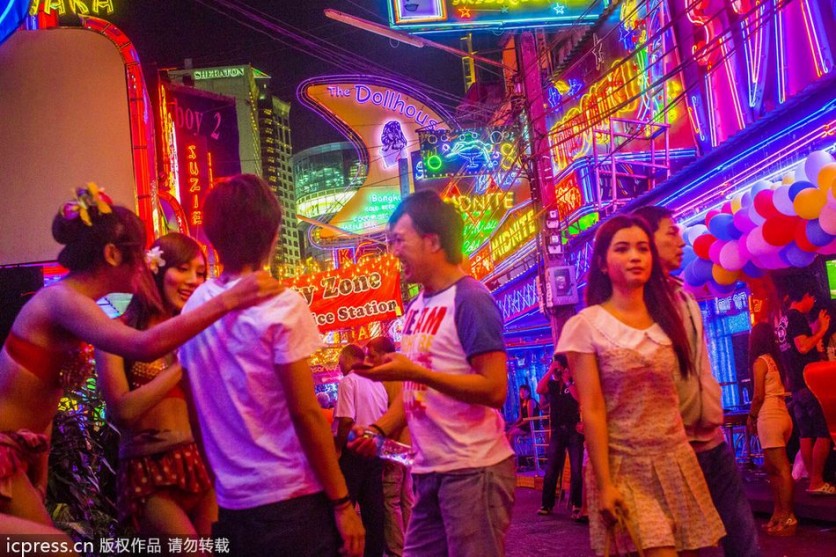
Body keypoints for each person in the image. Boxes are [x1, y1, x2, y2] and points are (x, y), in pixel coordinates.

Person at [0, 184, 279, 526]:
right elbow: (142, 347)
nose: (144, 265)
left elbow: (43, 400)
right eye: (139, 254)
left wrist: (39, 472)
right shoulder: (62, 301)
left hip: (16, 458)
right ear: (113, 255)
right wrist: (230, 300)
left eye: (200, 272)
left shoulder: (79, 309)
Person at [177, 174, 364, 557]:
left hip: (232, 506)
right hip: (292, 504)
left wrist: (219, 478)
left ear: (211, 235)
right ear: (274, 234)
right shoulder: (282, 303)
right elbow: (307, 414)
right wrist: (343, 503)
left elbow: (194, 409)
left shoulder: (195, 308)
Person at [350, 190, 515, 557]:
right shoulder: (417, 306)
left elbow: (494, 388)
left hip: (474, 471)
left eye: (398, 240)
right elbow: (416, 391)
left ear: (433, 241)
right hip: (430, 474)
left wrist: (417, 374)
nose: (393, 252)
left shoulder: (471, 299)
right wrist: (379, 429)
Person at [557, 215, 724, 557]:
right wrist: (603, 483)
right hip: (625, 466)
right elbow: (592, 408)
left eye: (642, 249)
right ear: (602, 263)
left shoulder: (668, 317)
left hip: (676, 458)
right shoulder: (585, 326)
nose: (635, 256)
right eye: (622, 249)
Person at [633, 205, 759, 556]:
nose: (680, 240)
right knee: (692, 546)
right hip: (674, 449)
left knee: (742, 539)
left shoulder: (685, 298)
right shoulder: (635, 308)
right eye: (670, 232)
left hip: (713, 443)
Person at [96, 232, 216, 536]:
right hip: (148, 470)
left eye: (200, 273)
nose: (193, 280)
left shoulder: (199, 333)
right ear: (156, 269)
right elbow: (122, 411)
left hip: (202, 465)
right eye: (183, 269)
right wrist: (180, 365)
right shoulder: (116, 335)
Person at [775, 287, 833, 495]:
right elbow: (802, 347)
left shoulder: (783, 321)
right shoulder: (797, 317)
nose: (813, 301)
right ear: (805, 295)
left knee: (806, 434)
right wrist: (822, 331)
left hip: (796, 385)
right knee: (823, 432)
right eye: (812, 297)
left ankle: (812, 480)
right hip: (809, 384)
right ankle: (817, 480)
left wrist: (816, 327)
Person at [334, 343, 387, 557]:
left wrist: (339, 447)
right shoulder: (378, 385)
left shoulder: (349, 381)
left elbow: (346, 420)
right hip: (376, 449)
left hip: (355, 449)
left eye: (339, 362)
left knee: (344, 506)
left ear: (348, 359)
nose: (338, 367)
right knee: (374, 509)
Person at [365, 336, 413, 557]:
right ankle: (413, 546)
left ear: (383, 354)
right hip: (411, 444)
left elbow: (394, 415)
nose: (369, 359)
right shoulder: (405, 369)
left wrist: (384, 448)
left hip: (395, 446)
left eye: (371, 355)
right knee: (407, 500)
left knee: (391, 501)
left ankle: (397, 550)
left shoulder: (389, 375)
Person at [747, 322, 796, 536]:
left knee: (781, 468)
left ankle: (788, 517)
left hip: (769, 416)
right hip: (783, 415)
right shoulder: (776, 361)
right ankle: (778, 514)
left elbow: (758, 395)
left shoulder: (760, 362)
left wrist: (751, 417)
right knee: (773, 469)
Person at [536, 353, 583, 519]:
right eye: (553, 364)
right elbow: (539, 389)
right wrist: (550, 371)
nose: (556, 368)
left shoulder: (574, 382)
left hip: (573, 430)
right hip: (557, 430)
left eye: (557, 365)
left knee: (576, 469)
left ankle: (577, 505)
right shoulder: (553, 384)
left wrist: (568, 380)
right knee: (551, 468)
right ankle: (546, 504)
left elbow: (580, 399)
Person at [506, 385, 540, 453]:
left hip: (531, 425)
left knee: (511, 433)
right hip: (524, 424)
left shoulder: (530, 401)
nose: (521, 393)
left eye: (523, 391)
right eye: (520, 392)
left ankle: (511, 454)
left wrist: (518, 425)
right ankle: (511, 452)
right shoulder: (522, 402)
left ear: (528, 392)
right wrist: (514, 424)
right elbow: (521, 417)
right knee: (508, 432)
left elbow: (530, 418)